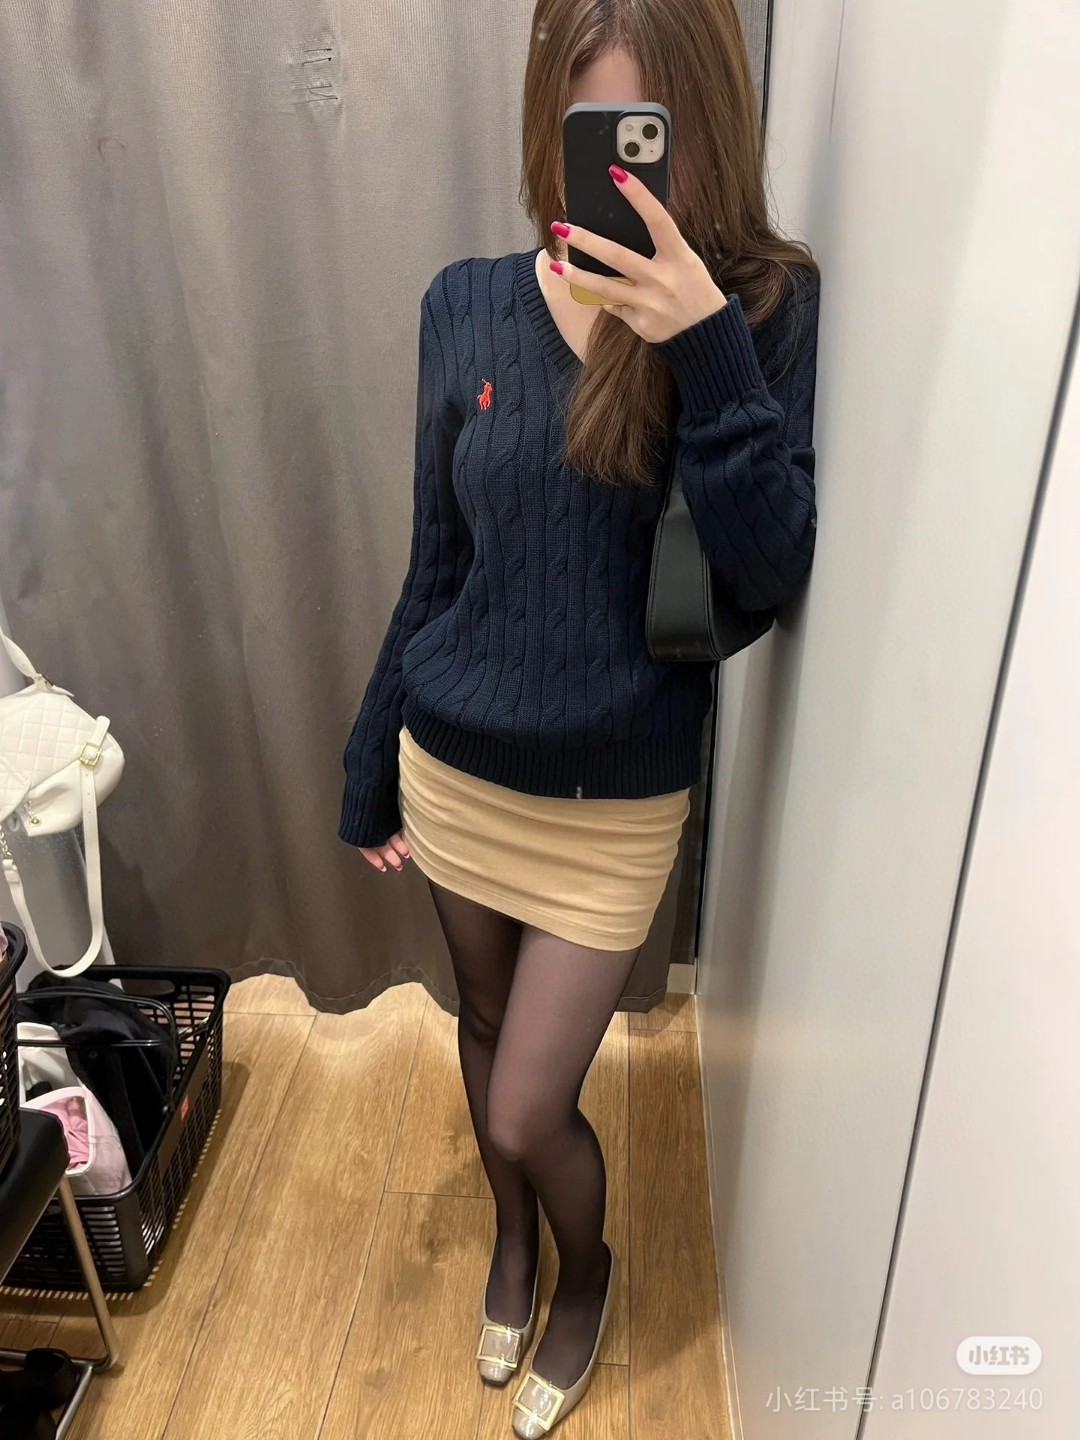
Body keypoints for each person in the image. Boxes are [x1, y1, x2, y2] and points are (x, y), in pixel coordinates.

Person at [338, 0, 820, 1432]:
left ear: (702, 131)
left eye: (644, 138)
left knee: (526, 1107)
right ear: (546, 120)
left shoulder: (762, 311)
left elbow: (769, 570)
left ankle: (586, 1271)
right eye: (585, 132)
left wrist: (705, 345)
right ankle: (511, 1239)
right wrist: (370, 762)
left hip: (616, 798)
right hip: (457, 766)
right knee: (483, 1021)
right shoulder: (464, 304)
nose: (614, 176)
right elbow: (436, 562)